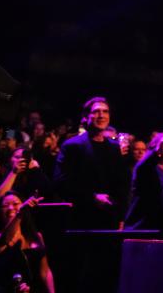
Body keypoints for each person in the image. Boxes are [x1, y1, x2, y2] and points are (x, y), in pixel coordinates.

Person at [53, 97, 130, 230]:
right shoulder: (72, 146)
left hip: (109, 219)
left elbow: (122, 185)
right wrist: (92, 197)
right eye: (97, 112)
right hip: (81, 218)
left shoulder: (114, 148)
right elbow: (61, 182)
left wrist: (121, 217)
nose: (101, 115)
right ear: (85, 117)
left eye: (105, 112)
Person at [0, 192, 54, 293]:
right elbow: (7, 240)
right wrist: (20, 213)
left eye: (16, 204)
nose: (11, 208)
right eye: (5, 206)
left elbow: (45, 272)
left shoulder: (36, 236)